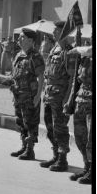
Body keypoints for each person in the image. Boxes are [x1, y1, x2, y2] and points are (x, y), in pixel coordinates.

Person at [39, 21, 75, 172]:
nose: (53, 32)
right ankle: (55, 154)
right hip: (50, 95)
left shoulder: (69, 52)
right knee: (50, 126)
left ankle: (62, 159)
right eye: (54, 30)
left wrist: (68, 99)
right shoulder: (54, 49)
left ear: (64, 33)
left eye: (57, 31)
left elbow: (72, 78)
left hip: (60, 97)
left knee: (60, 127)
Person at [9, 28, 45, 160]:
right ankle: (24, 146)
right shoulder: (19, 55)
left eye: (22, 37)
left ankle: (30, 150)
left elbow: (41, 77)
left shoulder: (35, 56)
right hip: (18, 95)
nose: (19, 39)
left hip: (30, 96)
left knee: (30, 122)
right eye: (19, 37)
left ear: (30, 40)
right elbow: (15, 74)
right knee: (21, 121)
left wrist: (37, 96)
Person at [64, 42, 92, 184]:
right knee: (80, 138)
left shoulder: (88, 52)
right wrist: (70, 101)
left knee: (92, 140)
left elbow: (90, 49)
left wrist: (76, 49)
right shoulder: (86, 57)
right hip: (81, 101)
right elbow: (77, 81)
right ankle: (87, 167)